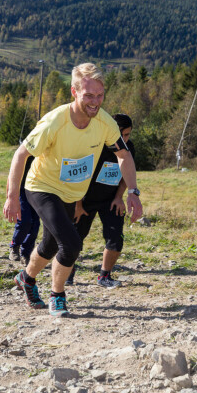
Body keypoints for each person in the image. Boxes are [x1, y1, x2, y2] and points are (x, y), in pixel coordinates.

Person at [4, 63, 143, 317]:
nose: (95, 102)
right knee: (71, 243)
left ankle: (26, 277)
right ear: (74, 92)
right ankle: (57, 295)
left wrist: (132, 191)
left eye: (100, 95)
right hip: (42, 187)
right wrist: (12, 197)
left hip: (71, 193)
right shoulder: (54, 122)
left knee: (49, 245)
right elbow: (21, 154)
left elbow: (123, 155)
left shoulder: (105, 122)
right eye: (89, 95)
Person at [69, 113, 138, 288]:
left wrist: (118, 197)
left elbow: (126, 176)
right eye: (122, 134)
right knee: (74, 239)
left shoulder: (128, 149)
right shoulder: (95, 144)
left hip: (110, 201)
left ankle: (104, 276)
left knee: (116, 239)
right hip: (84, 201)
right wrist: (77, 204)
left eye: (128, 134)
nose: (124, 138)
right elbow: (78, 175)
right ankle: (67, 273)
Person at [8, 156, 39, 264]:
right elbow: (12, 174)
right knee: (25, 221)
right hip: (22, 190)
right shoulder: (25, 154)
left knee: (35, 225)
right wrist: (10, 197)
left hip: (38, 191)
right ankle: (14, 246)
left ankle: (26, 254)